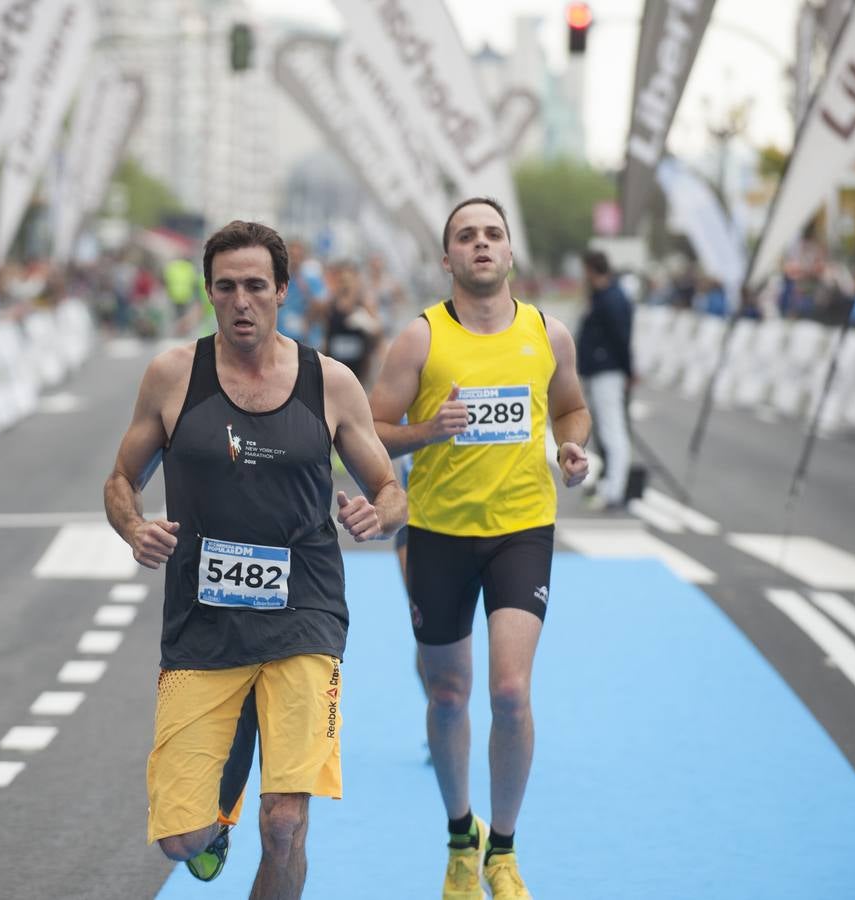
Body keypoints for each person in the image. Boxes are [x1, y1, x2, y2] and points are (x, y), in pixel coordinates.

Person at [104, 220, 406, 899]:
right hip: (202, 626)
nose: (242, 301)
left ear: (283, 293)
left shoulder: (329, 383)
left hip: (306, 615)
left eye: (256, 287)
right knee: (183, 841)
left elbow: (390, 491)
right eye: (227, 287)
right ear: (210, 293)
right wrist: (133, 527)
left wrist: (375, 513)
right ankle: (218, 814)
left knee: (287, 824)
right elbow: (120, 481)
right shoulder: (173, 376)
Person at [369, 198, 591, 900]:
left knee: (509, 693)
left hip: (522, 529)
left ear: (510, 251)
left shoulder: (547, 334)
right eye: (466, 236)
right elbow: (370, 429)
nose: (482, 244)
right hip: (438, 534)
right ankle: (460, 835)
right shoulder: (420, 340)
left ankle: (504, 848)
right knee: (447, 693)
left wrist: (573, 443)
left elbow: (571, 405)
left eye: (493, 233)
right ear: (447, 259)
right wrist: (428, 430)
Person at [578, 250, 634, 512]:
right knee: (605, 432)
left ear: (591, 269)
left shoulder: (612, 298)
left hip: (608, 372)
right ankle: (610, 482)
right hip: (600, 371)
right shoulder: (604, 296)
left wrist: (628, 370)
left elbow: (621, 338)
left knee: (613, 431)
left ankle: (615, 488)